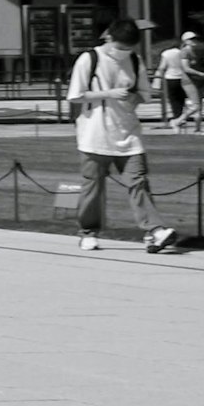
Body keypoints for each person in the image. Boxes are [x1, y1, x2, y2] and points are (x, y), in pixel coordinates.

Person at [67, 17, 161, 250]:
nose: (123, 52)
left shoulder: (134, 59)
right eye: (120, 47)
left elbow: (144, 93)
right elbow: (76, 95)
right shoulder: (89, 59)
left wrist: (132, 98)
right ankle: (88, 230)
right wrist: (109, 93)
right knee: (93, 185)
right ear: (109, 37)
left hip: (127, 132)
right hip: (94, 133)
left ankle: (154, 230)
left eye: (128, 47)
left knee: (138, 182)